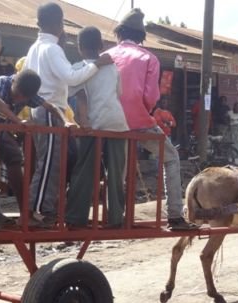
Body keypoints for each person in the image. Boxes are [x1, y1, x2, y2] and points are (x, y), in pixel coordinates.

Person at [106, 8, 197, 230]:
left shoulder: (107, 56)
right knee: (172, 158)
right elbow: (151, 97)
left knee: (117, 168)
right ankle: (175, 215)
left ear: (119, 33)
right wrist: (142, 112)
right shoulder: (148, 58)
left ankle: (114, 217)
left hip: (110, 121)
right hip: (139, 122)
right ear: (141, 36)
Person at [24, 2, 112, 228]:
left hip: (44, 110)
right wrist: (97, 64)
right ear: (59, 24)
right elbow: (72, 78)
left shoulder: (36, 47)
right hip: (51, 110)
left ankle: (51, 206)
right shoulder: (52, 49)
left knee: (68, 158)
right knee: (50, 164)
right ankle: (38, 210)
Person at [66, 26, 129, 229]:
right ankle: (116, 219)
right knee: (116, 173)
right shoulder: (112, 68)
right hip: (117, 123)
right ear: (101, 46)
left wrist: (82, 119)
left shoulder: (77, 68)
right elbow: (118, 93)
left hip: (93, 125)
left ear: (79, 47)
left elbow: (80, 96)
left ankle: (77, 217)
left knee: (84, 170)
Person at [0, 69, 51, 226]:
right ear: (14, 82)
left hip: (0, 135)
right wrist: (18, 121)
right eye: (17, 95)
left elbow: (47, 105)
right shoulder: (2, 82)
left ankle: (25, 213)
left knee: (15, 157)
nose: (19, 99)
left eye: (23, 98)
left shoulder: (27, 93)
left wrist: (65, 120)